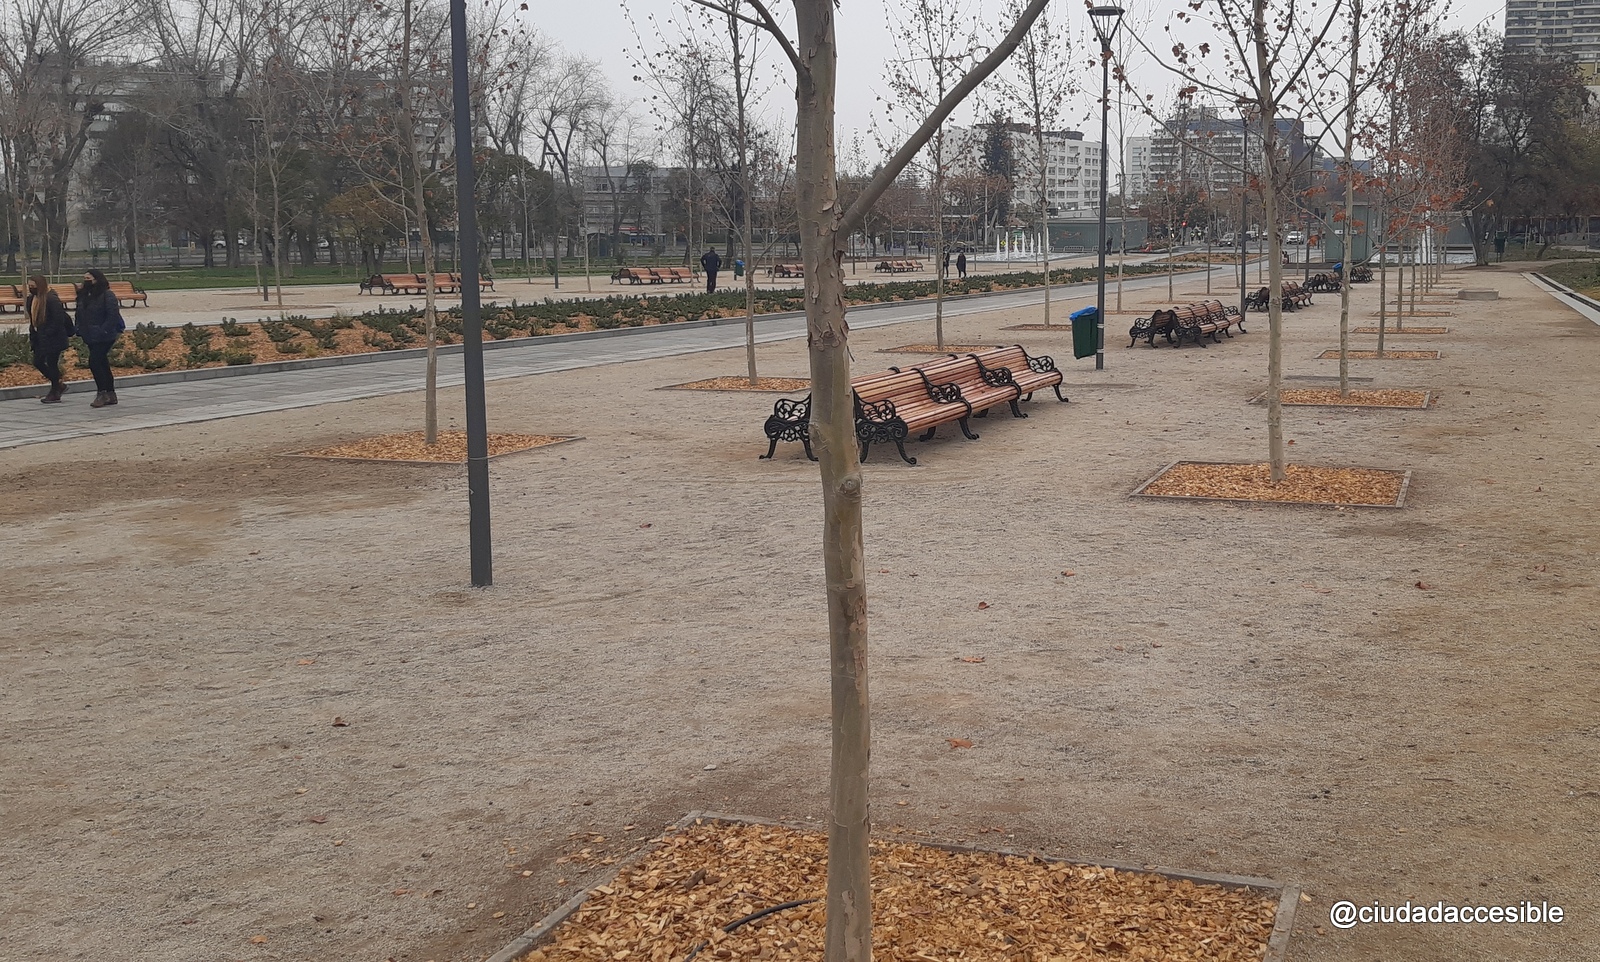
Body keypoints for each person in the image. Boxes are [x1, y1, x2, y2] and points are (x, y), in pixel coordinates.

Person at [75, 268, 126, 408]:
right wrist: (78, 328)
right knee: (102, 363)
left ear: (98, 279)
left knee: (95, 362)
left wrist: (103, 331)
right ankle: (110, 393)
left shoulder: (107, 295)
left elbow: (112, 315)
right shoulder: (84, 295)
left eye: (89, 278)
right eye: (85, 278)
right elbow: (79, 313)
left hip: (104, 336)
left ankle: (102, 393)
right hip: (89, 334)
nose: (87, 281)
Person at [25, 274, 73, 403]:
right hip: (39, 337)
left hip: (53, 337)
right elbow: (32, 320)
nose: (31, 289)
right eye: (29, 286)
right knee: (38, 362)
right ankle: (58, 385)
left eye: (33, 286)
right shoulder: (31, 300)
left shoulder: (51, 299)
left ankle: (55, 391)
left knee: (52, 363)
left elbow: (58, 320)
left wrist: (47, 333)